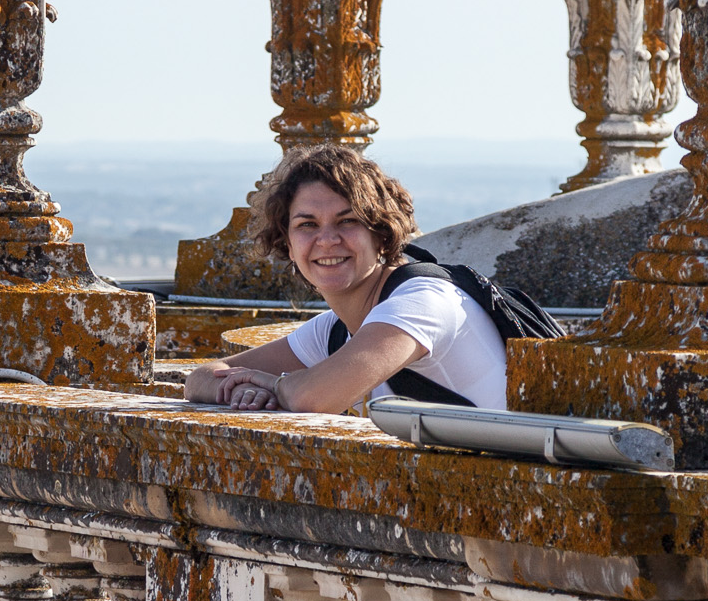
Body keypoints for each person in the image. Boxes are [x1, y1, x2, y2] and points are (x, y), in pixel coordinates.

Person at [184, 145, 507, 416]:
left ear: (381, 235)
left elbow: (314, 398)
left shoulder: (422, 302)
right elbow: (200, 379)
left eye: (347, 221)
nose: (327, 240)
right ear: (288, 245)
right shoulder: (335, 331)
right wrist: (245, 391)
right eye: (307, 225)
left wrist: (274, 385)